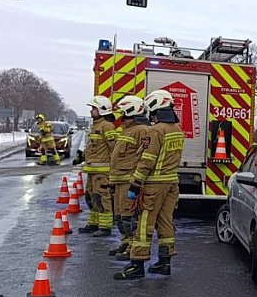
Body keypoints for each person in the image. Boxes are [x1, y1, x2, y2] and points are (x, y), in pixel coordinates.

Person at [114, 90, 184, 280]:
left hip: (154, 185)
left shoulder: (156, 130)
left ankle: (137, 264)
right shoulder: (177, 129)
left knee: (144, 224)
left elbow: (147, 160)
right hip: (171, 183)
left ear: (155, 106)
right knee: (165, 222)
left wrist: (135, 184)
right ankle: (164, 262)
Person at [108, 96, 151, 260]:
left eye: (124, 113)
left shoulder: (142, 130)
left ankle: (132, 246)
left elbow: (145, 155)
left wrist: (137, 181)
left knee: (129, 217)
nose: (121, 117)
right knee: (119, 217)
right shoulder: (127, 130)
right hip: (120, 180)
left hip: (129, 181)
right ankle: (126, 242)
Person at [78, 95, 118, 237]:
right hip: (92, 170)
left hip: (102, 171)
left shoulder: (107, 127)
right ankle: (94, 223)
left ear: (101, 110)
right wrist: (81, 155)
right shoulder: (96, 126)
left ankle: (105, 227)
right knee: (91, 197)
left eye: (94, 108)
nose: (91, 111)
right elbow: (92, 147)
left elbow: (114, 148)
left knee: (102, 197)